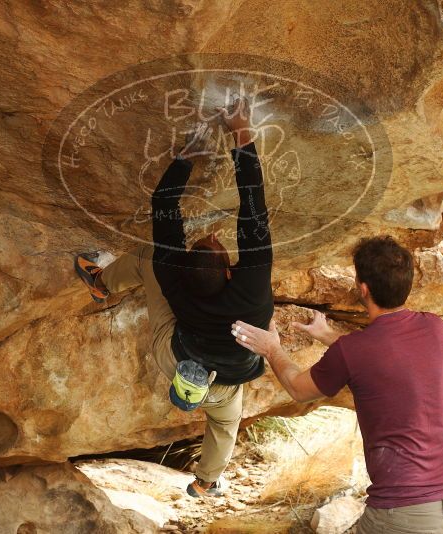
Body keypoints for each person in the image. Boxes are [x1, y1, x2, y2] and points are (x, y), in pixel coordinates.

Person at [76, 97, 273, 498]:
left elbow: (163, 203)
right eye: (216, 243)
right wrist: (240, 130)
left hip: (177, 355)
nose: (215, 234)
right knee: (223, 423)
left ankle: (100, 283)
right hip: (223, 382)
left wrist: (190, 154)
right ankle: (205, 481)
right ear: (230, 271)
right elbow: (252, 209)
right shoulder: (250, 285)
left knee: (149, 255)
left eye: (208, 241)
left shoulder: (173, 270)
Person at [231, 236, 443, 533]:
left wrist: (271, 348)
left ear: (364, 288)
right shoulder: (434, 327)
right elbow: (385, 358)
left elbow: (297, 388)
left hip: (404, 510)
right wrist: (328, 336)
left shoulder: (354, 350)